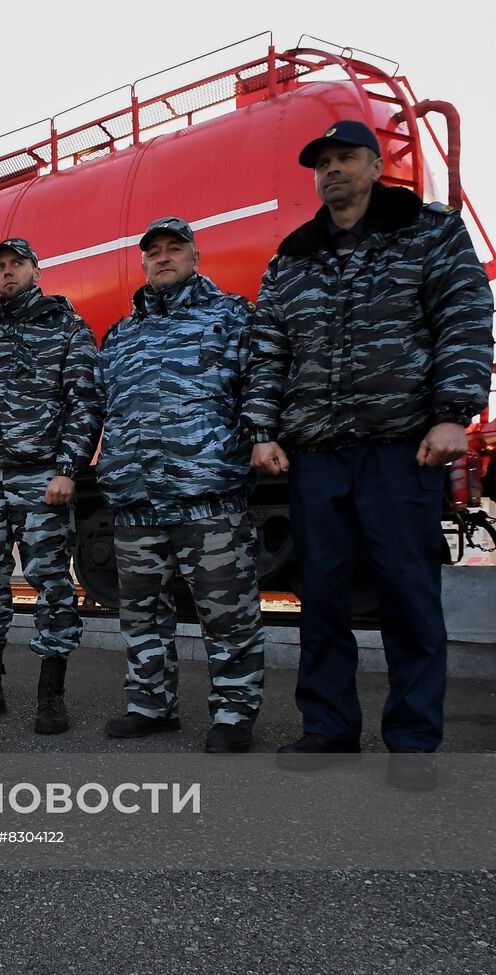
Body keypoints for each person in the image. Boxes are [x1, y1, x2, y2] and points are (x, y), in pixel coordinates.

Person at [244, 120, 494, 786]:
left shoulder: (428, 232)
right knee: (321, 595)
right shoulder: (291, 256)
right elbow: (268, 349)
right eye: (322, 161)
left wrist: (452, 414)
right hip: (317, 450)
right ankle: (328, 726)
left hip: (399, 446)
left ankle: (412, 739)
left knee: (406, 592)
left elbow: (465, 315)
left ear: (376, 164)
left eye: (345, 157)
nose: (333, 170)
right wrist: (262, 429)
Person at [95, 216, 265, 753]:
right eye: (154, 252)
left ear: (195, 257)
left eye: (174, 249)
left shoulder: (231, 316)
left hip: (207, 494)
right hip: (135, 500)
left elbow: (259, 385)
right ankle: (151, 705)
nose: (163, 257)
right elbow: (102, 406)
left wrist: (258, 439)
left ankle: (234, 713)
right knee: (142, 614)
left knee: (227, 613)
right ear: (143, 263)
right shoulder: (121, 334)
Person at [0, 239, 101, 727]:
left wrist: (68, 469)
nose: (7, 272)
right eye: (0, 267)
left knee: (51, 582)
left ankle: (51, 697)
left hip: (40, 480)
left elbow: (85, 403)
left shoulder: (68, 329)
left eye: (16, 264)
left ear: (37, 270)